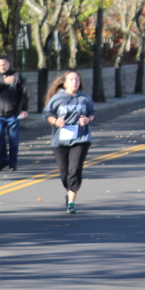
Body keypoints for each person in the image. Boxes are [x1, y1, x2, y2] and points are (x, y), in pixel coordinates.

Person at [44, 70, 96, 214]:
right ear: (65, 83)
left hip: (81, 139)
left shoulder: (85, 98)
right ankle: (69, 191)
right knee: (64, 173)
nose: (75, 82)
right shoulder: (57, 98)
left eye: (77, 80)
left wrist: (88, 119)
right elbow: (47, 114)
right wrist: (56, 121)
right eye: (72, 80)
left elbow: (93, 112)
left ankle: (72, 201)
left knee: (75, 170)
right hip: (60, 140)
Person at [0, 56, 29, 171]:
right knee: (0, 137)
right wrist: (3, 82)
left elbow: (23, 93)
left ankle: (13, 163)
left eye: (4, 64)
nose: (2, 67)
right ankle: (2, 160)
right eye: (0, 65)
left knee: (13, 140)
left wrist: (24, 109)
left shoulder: (16, 75)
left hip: (13, 113)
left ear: (9, 64)